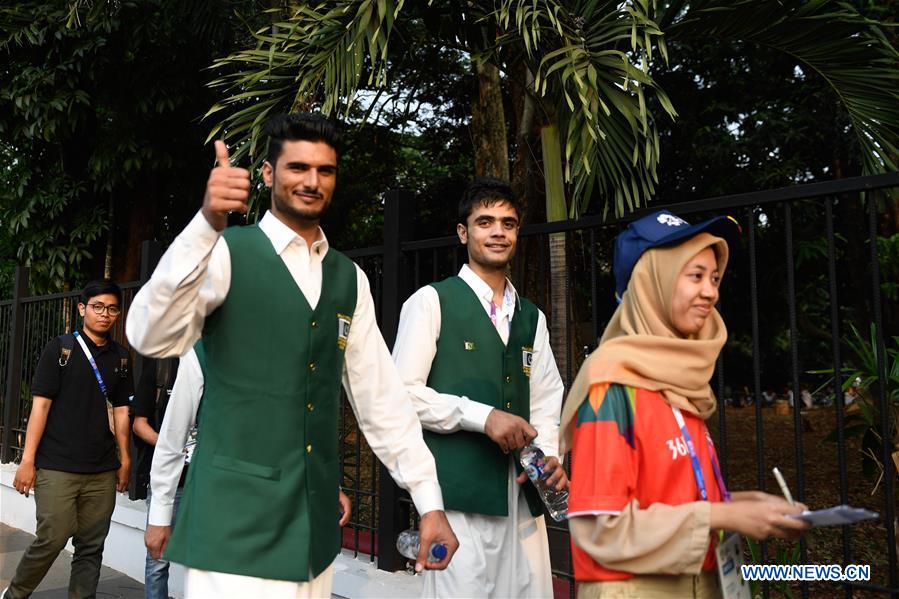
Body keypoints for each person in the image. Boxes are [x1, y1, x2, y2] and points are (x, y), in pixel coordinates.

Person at [125, 112, 457, 598]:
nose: (312, 180)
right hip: (232, 527)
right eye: (298, 167)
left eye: (325, 170)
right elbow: (149, 335)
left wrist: (428, 500)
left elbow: (382, 402)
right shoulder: (224, 252)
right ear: (267, 174)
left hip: (314, 533)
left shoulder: (349, 279)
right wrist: (206, 223)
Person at [560, 211, 810, 598]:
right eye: (695, 276)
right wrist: (722, 514)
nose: (711, 292)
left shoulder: (681, 379)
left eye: (714, 278)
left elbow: (668, 495)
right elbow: (600, 528)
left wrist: (744, 506)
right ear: (651, 284)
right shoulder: (610, 385)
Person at [392, 178, 566, 598]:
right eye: (485, 221)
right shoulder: (431, 302)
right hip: (457, 498)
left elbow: (546, 397)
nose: (498, 231)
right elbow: (400, 395)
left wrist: (553, 455)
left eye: (508, 222)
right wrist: (480, 416)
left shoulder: (532, 318)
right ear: (463, 232)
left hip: (523, 500)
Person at [140, 345, 353, 599]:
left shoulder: (294, 352)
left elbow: (305, 426)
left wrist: (330, 485)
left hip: (280, 505)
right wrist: (160, 514)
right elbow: (171, 438)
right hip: (220, 507)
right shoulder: (202, 352)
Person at [5, 281, 133, 599]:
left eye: (112, 308)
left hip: (102, 468)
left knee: (91, 547)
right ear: (82, 309)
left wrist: (125, 457)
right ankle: (16, 594)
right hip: (57, 465)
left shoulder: (120, 357)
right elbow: (41, 406)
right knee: (52, 536)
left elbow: (121, 410)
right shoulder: (61, 349)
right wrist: (28, 460)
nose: (105, 314)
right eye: (98, 306)